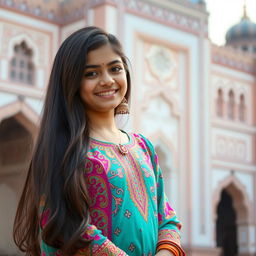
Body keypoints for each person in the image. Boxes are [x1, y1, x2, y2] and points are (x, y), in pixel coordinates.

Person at [13, 26, 185, 256]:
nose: (107, 80)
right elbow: (66, 226)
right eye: (91, 73)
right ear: (71, 82)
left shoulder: (143, 146)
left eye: (115, 69)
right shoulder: (63, 150)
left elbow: (166, 217)